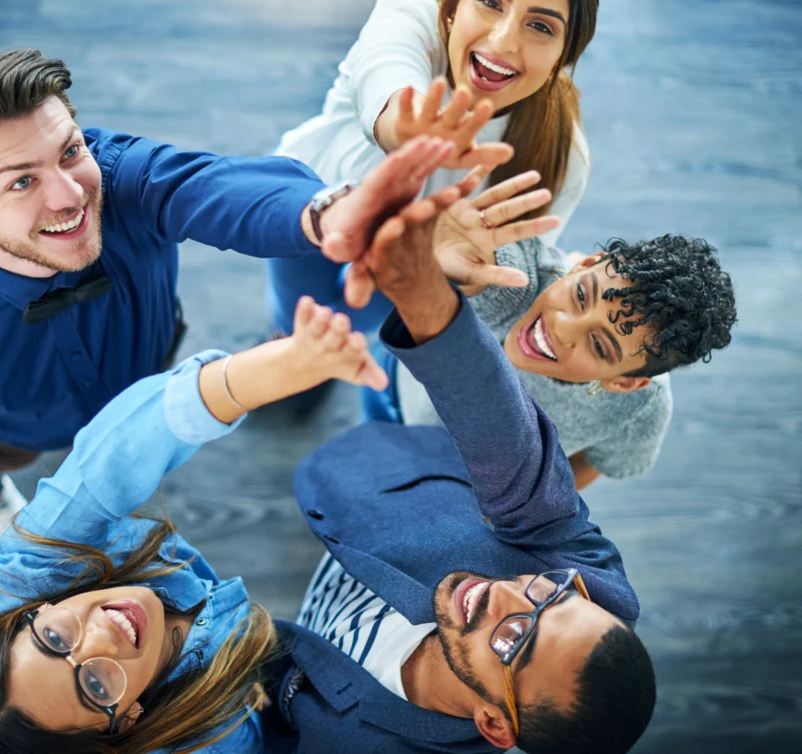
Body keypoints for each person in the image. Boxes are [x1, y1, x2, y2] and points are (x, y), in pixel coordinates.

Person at [0, 48, 496, 540]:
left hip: (142, 371)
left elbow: (210, 187)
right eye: (21, 182)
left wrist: (328, 212)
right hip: (6, 431)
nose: (71, 195)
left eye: (70, 151)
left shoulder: (119, 176)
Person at [261, 170, 657, 754]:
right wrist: (422, 289)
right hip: (376, 474)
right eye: (550, 595)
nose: (510, 591)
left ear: (496, 724)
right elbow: (508, 443)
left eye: (515, 638)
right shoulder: (588, 580)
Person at [0, 297, 389, 754]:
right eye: (96, 685)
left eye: (55, 638)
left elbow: (116, 454)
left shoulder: (34, 566)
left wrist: (275, 369)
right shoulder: (211, 740)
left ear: (28, 616)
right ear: (124, 723)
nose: (102, 635)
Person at [265, 0, 604, 353]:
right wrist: (404, 132)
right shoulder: (406, 20)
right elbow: (387, 72)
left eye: (541, 27)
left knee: (350, 324)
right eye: (490, 2)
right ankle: (292, 342)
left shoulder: (563, 159)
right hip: (310, 200)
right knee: (294, 312)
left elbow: (509, 273)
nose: (503, 41)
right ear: (453, 3)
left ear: (565, 55)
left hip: (412, 260)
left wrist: (471, 279)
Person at [364, 167, 738, 488]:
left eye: (599, 346)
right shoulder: (517, 279)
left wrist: (523, 510)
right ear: (585, 264)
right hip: (395, 389)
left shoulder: (640, 411)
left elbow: (597, 462)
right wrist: (444, 248)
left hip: (461, 483)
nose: (560, 326)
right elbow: (483, 269)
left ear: (624, 382)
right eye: (580, 295)